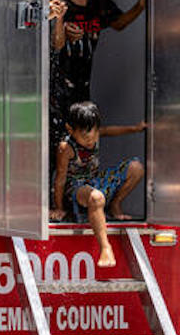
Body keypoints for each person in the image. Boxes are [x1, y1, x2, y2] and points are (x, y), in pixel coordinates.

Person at [48, 0, 147, 155]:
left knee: (81, 143)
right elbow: (53, 44)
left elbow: (118, 23)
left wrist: (140, 5)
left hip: (81, 85)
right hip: (55, 87)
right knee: (58, 147)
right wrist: (62, 28)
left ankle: (73, 189)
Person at [51, 101, 146, 267]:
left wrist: (135, 128)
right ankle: (105, 247)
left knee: (136, 168)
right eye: (85, 136)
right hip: (75, 188)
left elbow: (113, 131)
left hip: (94, 181)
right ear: (70, 130)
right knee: (96, 198)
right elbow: (60, 179)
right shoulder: (66, 148)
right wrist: (59, 208)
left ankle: (115, 204)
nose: (91, 139)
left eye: (95, 134)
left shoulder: (96, 133)